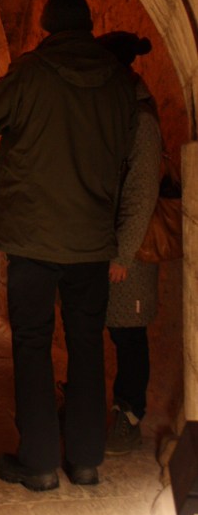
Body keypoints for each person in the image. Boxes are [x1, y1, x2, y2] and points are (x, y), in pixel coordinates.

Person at [0, 0, 137, 491]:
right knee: (87, 345)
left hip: (34, 238)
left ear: (46, 24)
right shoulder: (121, 80)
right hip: (91, 238)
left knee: (32, 342)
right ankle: (86, 459)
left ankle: (39, 461)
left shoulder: (33, 70)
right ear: (88, 25)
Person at [97, 31, 162, 455]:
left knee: (130, 334)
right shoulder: (121, 111)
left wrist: (121, 254)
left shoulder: (140, 119)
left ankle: (130, 414)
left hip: (131, 254)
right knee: (117, 331)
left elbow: (141, 192)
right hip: (113, 246)